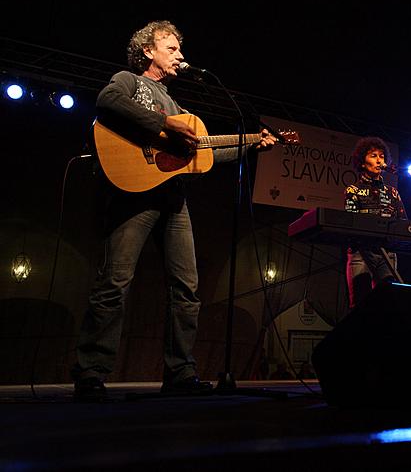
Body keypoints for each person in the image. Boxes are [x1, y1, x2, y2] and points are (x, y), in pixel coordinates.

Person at [71, 20, 276, 401]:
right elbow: (107, 102)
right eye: (172, 47)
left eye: (180, 48)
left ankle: (180, 372)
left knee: (187, 287)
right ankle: (90, 373)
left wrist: (250, 144)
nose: (181, 55)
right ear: (148, 51)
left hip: (173, 199)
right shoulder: (129, 81)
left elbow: (204, 153)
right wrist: (162, 123)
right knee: (115, 282)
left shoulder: (179, 105)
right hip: (133, 195)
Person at [344, 136, 407, 308]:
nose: (379, 160)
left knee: (386, 302)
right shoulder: (353, 190)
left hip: (387, 252)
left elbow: (403, 223)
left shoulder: (393, 193)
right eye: (373, 155)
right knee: (360, 302)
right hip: (361, 252)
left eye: (381, 156)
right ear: (362, 162)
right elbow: (351, 222)